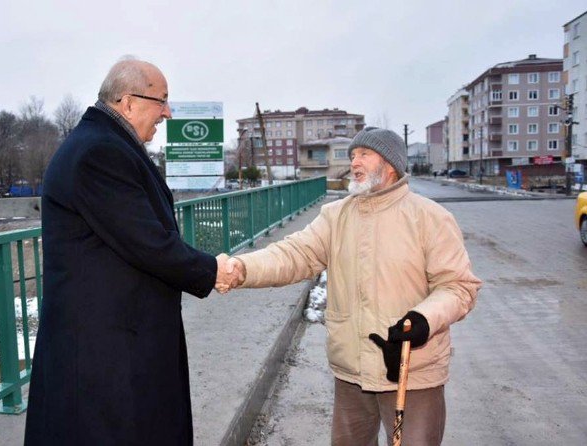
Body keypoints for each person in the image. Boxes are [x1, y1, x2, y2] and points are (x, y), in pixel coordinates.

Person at [220, 127, 482, 445]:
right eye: (352, 155)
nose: (354, 162)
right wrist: (243, 268)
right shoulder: (336, 216)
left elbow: (458, 286)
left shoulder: (430, 217)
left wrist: (423, 320)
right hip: (351, 371)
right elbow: (294, 254)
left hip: (410, 371)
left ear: (390, 164)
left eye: (364, 154)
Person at [25, 57, 238, 445]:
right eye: (162, 100)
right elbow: (148, 243)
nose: (168, 112)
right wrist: (212, 270)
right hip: (104, 353)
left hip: (116, 341)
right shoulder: (99, 153)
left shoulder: (104, 143)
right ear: (127, 102)